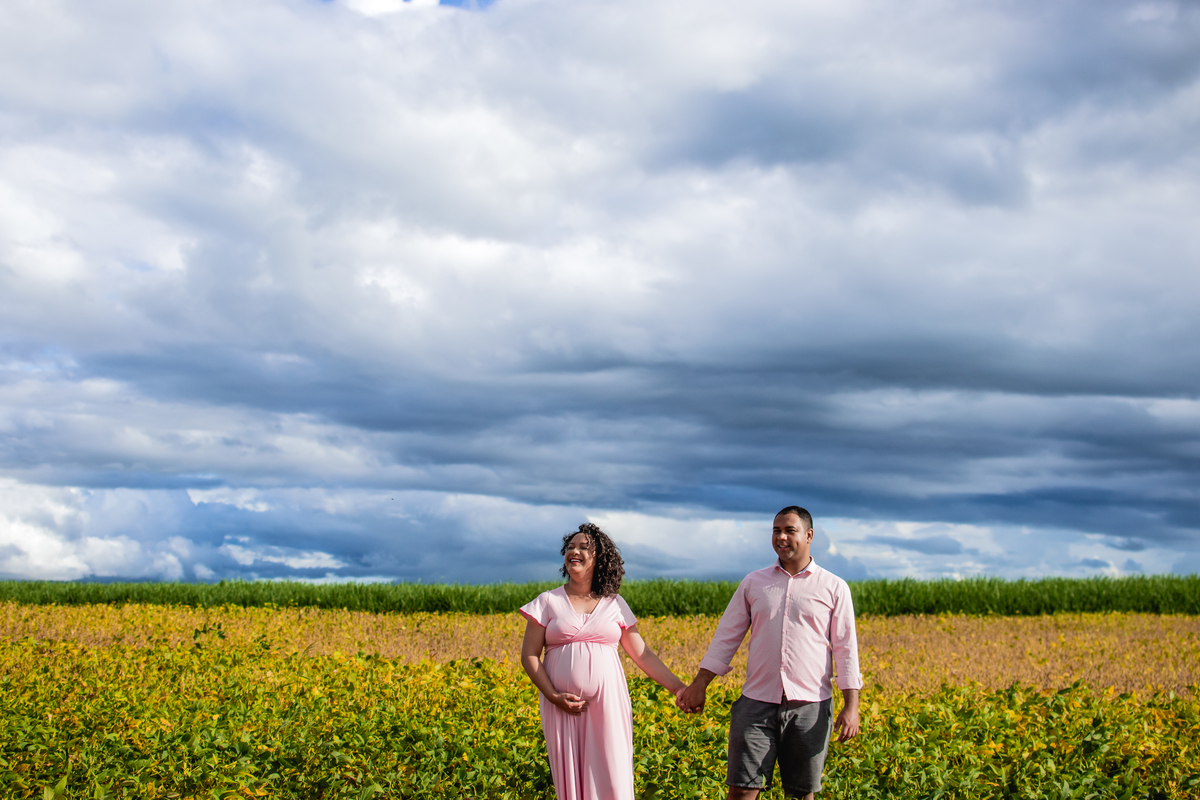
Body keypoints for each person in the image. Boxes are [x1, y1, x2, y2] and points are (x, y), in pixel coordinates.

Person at [676, 507, 862, 800]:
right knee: (741, 790)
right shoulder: (754, 583)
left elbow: (845, 649)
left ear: (809, 535)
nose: (782, 537)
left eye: (790, 530)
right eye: (776, 531)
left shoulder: (834, 587)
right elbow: (727, 636)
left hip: (810, 706)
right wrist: (700, 683)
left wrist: (852, 705)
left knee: (801, 794)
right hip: (756, 703)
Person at [519, 522, 687, 800]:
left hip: (608, 704)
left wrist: (680, 689)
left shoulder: (615, 603)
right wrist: (552, 695)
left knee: (613, 775)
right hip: (562, 705)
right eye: (570, 547)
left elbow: (642, 655)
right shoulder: (548, 601)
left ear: (600, 558)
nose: (575, 551)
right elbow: (529, 655)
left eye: (584, 547)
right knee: (570, 782)